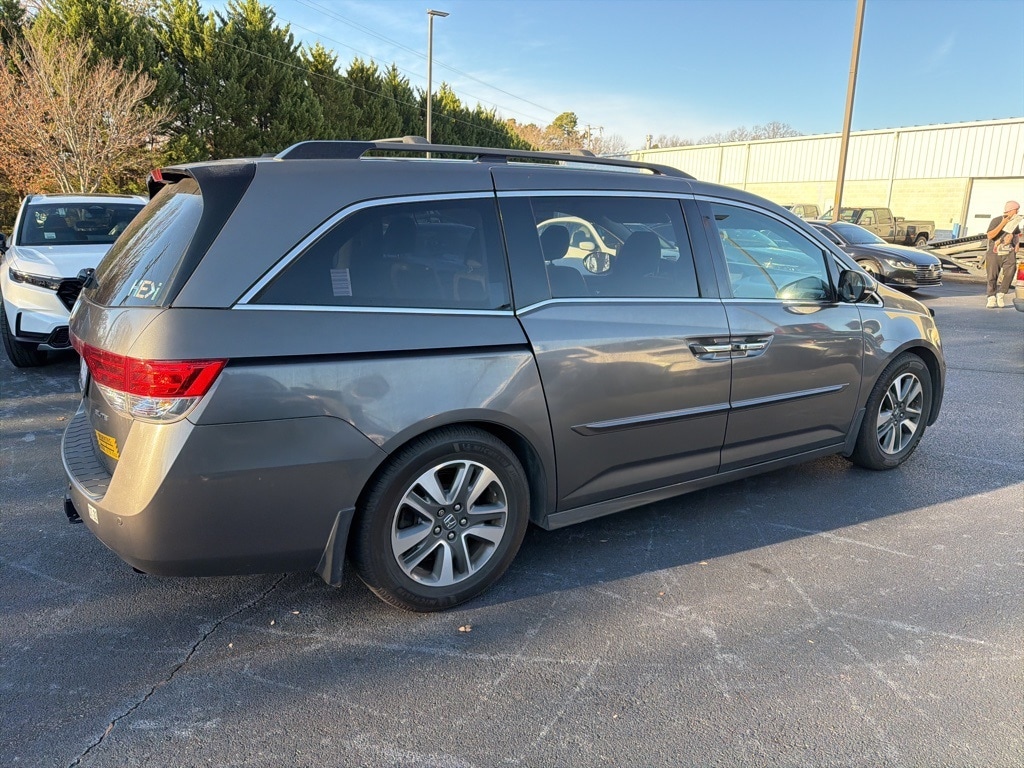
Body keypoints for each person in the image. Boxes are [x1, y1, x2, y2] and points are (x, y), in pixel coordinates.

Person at [984, 200, 1021, 308]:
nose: (1018, 211)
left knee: (1010, 272)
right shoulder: (996, 220)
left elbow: (1016, 234)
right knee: (992, 275)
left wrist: (1017, 244)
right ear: (1010, 210)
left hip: (1009, 251)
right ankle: (991, 297)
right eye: (1016, 210)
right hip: (995, 251)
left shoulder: (1015, 221)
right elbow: (990, 235)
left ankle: (1001, 294)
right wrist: (1003, 223)